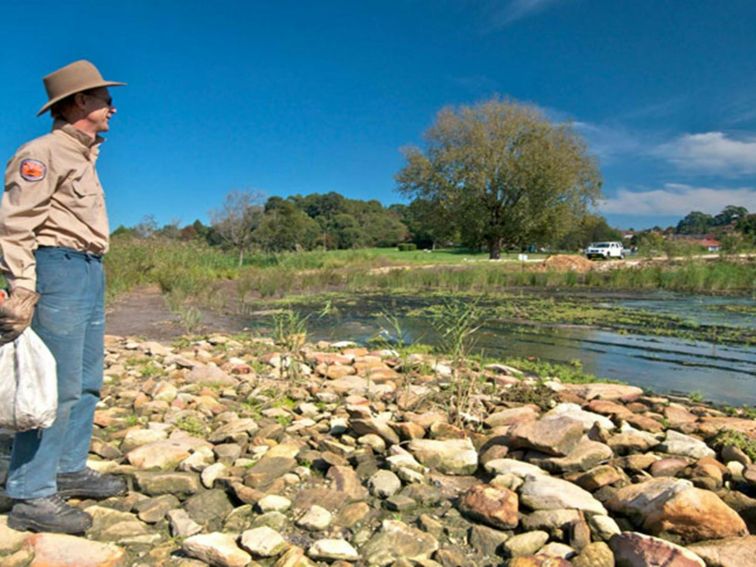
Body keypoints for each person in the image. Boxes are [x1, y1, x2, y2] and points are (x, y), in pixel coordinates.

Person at [0, 60, 127, 534]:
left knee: (88, 380)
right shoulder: (41, 152)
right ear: (79, 102)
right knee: (54, 386)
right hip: (57, 268)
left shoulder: (81, 154)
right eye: (103, 99)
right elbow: (14, 224)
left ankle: (69, 467)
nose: (112, 108)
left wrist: (90, 148)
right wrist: (24, 285)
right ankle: (31, 493)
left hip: (89, 269)